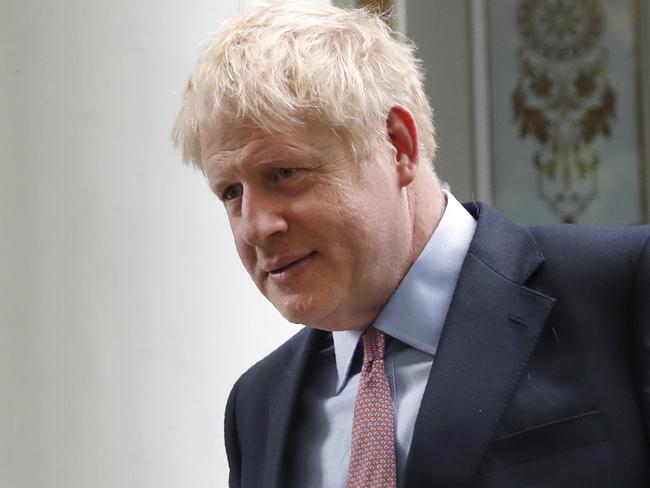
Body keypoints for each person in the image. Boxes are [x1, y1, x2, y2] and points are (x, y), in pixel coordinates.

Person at [173, 2, 650, 487]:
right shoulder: (257, 405)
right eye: (231, 193)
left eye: (284, 173)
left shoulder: (622, 288)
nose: (255, 227)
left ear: (397, 145)